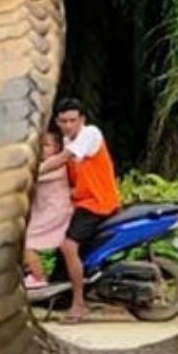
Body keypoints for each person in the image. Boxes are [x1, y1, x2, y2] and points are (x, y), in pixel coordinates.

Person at [40, 98, 121, 322]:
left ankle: (78, 304)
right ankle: (59, 294)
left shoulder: (90, 134)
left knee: (68, 246)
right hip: (81, 203)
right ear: (57, 121)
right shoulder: (68, 140)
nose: (68, 125)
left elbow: (61, 160)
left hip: (97, 203)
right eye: (63, 121)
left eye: (72, 120)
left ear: (82, 120)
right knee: (58, 239)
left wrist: (31, 172)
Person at [23, 124, 73, 289]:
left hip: (55, 213)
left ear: (57, 147)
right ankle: (32, 273)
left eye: (46, 145)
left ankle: (38, 278)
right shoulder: (44, 163)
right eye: (39, 145)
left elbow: (30, 177)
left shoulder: (55, 164)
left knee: (25, 241)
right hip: (46, 212)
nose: (42, 149)